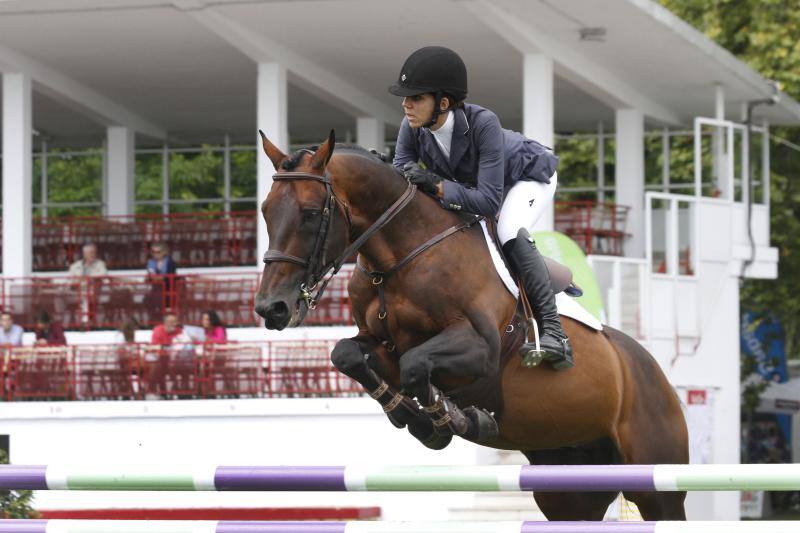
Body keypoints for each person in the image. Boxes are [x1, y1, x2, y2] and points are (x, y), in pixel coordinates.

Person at [389, 46, 572, 369]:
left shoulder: (483, 122)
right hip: (480, 186)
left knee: (508, 231)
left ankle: (555, 334)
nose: (406, 104)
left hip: (528, 176)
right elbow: (402, 173)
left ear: (443, 103)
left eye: (416, 98)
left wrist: (434, 184)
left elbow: (487, 200)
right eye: (406, 98)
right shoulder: (412, 127)